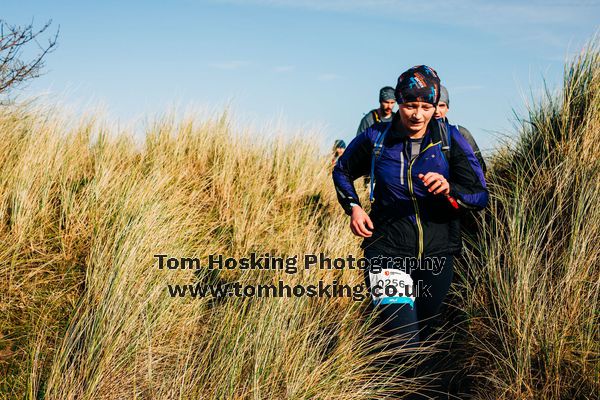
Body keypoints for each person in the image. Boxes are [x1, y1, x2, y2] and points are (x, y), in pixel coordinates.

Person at [332, 65, 488, 398]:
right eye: (410, 105)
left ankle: (397, 381)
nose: (417, 114)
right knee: (404, 344)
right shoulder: (376, 138)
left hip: (438, 254)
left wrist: (451, 189)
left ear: (436, 106)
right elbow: (342, 170)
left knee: (427, 336)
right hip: (387, 250)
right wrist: (354, 207)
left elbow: (479, 194)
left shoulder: (450, 139)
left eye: (425, 106)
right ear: (399, 101)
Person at [435, 85, 487, 174]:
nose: (437, 111)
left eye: (441, 106)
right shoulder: (416, 135)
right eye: (433, 106)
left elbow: (480, 167)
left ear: (447, 108)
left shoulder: (460, 133)